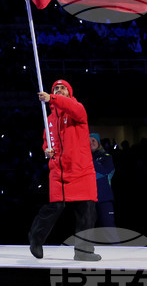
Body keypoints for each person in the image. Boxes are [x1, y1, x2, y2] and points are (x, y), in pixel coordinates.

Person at [29, 79, 101, 261]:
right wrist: (47, 151)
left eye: (62, 88)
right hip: (59, 172)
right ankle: (36, 239)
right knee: (54, 208)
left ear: (69, 93)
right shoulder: (49, 120)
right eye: (56, 88)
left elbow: (74, 109)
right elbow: (47, 143)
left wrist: (51, 97)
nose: (59, 90)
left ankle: (84, 252)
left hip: (81, 170)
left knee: (87, 211)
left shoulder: (77, 110)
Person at [91, 133, 118, 240]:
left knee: (108, 227)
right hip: (88, 198)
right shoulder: (82, 158)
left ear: (98, 143)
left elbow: (106, 171)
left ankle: (117, 251)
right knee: (86, 228)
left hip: (104, 197)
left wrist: (89, 160)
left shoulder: (106, 157)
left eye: (93, 140)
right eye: (88, 142)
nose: (91, 143)